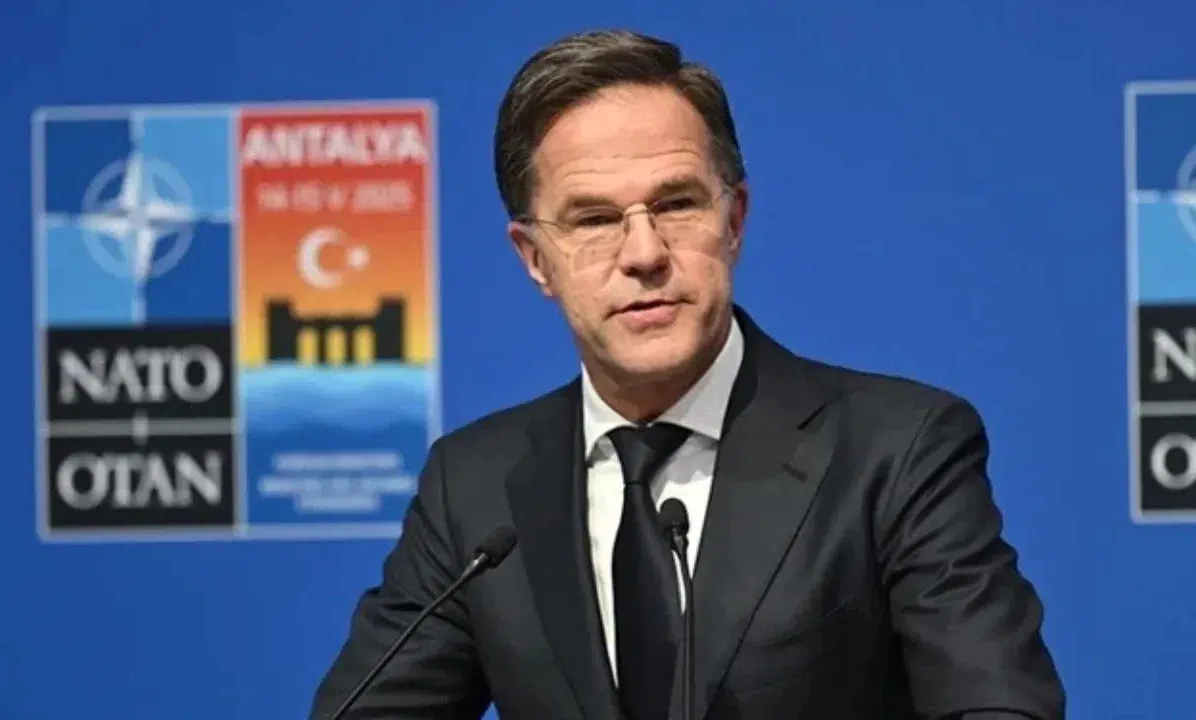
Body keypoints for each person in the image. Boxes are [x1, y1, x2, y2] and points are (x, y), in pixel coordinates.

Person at [309, 28, 1066, 720]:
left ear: (733, 220)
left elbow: (998, 708)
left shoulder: (896, 451)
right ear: (535, 259)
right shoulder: (474, 488)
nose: (643, 254)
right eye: (593, 220)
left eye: (676, 204)